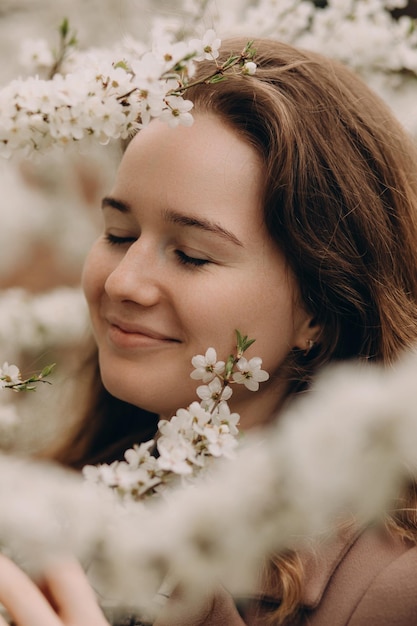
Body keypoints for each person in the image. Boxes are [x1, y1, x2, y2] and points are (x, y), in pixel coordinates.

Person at [2, 36, 417, 625]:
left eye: (192, 255)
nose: (124, 282)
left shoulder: (391, 590)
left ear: (318, 310)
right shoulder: (47, 507)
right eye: (119, 234)